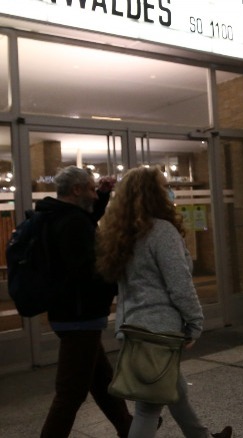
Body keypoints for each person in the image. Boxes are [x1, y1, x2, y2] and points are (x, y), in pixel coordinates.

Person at [95, 166, 232, 438]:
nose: (170, 191)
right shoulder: (161, 231)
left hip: (132, 326)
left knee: (173, 390)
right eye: (165, 186)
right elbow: (179, 285)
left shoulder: (120, 233)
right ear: (155, 194)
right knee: (148, 408)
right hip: (157, 331)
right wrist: (194, 323)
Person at [39, 166, 133, 437]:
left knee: (101, 378)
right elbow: (87, 272)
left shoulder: (56, 215)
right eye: (92, 190)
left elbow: (86, 222)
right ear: (77, 190)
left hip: (69, 313)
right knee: (70, 394)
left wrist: (103, 196)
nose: (95, 196)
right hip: (79, 316)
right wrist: (117, 284)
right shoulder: (73, 223)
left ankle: (128, 427)